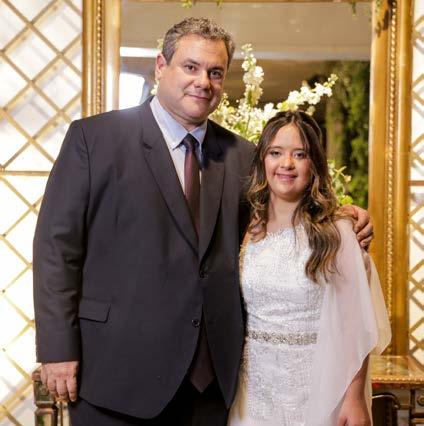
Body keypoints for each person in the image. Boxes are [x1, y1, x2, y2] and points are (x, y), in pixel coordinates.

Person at [33, 18, 373, 426]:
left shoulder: (242, 155)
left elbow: (285, 212)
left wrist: (343, 216)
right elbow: (56, 249)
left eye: (215, 72)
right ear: (161, 66)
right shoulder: (95, 140)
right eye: (191, 67)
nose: (203, 82)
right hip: (114, 375)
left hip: (209, 387)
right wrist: (57, 349)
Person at [227, 111, 391, 426]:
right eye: (276, 152)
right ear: (263, 160)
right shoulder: (246, 226)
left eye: (299, 154)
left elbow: (354, 321)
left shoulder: (336, 231)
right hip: (252, 388)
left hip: (316, 385)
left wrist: (354, 397)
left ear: (314, 164)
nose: (286, 164)